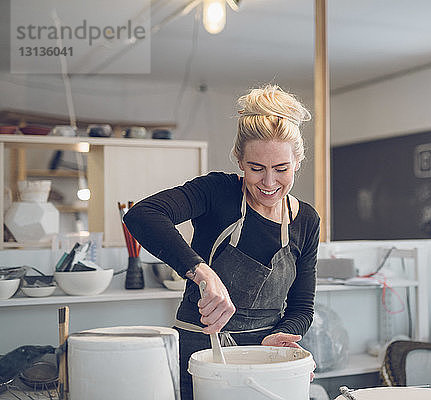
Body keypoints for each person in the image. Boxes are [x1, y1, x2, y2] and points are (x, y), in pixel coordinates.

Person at [124, 84, 320, 400]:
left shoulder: (306, 220)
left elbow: (302, 307)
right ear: (239, 160)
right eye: (256, 169)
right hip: (201, 358)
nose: (269, 183)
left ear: (297, 161)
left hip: (265, 361)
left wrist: (281, 337)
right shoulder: (217, 193)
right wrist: (202, 272)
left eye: (281, 169)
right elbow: (143, 215)